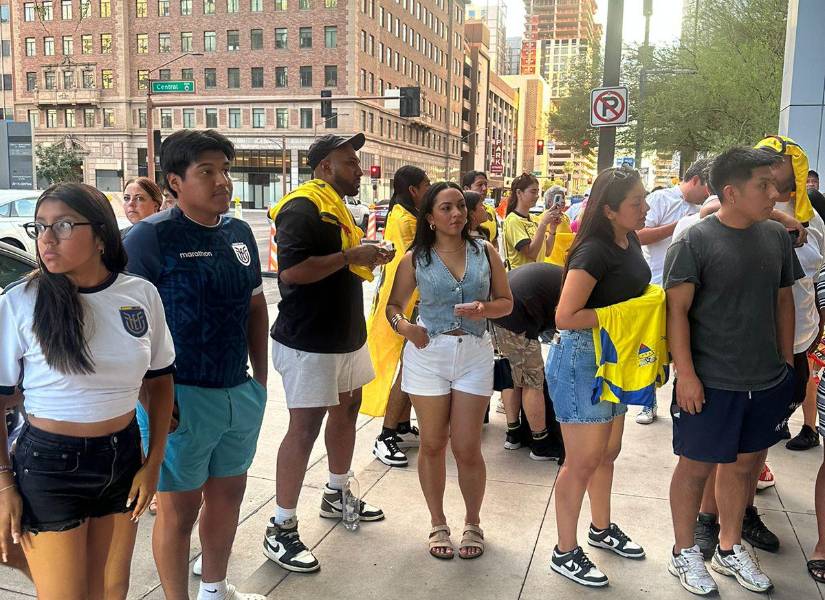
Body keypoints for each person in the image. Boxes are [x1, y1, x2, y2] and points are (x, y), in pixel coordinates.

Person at [0, 183, 175, 600]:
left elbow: (161, 382)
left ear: (100, 235)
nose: (45, 239)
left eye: (61, 225)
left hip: (121, 458)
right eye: (40, 226)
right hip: (49, 465)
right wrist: (4, 484)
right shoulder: (21, 300)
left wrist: (152, 464)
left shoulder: (139, 295)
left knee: (107, 591)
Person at [123, 129, 269, 600]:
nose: (222, 181)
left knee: (227, 501)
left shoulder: (239, 232)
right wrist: (151, 399)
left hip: (237, 393)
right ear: (174, 182)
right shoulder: (150, 238)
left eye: (224, 170)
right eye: (206, 171)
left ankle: (213, 589)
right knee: (178, 511)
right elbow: (130, 327)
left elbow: (255, 306)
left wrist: (261, 382)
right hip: (178, 397)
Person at [664, 147, 799, 596]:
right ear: (730, 192)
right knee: (695, 467)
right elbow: (676, 312)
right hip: (709, 380)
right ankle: (684, 553)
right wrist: (686, 374)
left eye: (774, 184)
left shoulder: (775, 238)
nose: (774, 193)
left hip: (764, 378)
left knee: (744, 467)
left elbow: (783, 300)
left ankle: (729, 546)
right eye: (763, 185)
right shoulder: (694, 241)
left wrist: (786, 362)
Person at [265, 133, 393, 573]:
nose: (359, 170)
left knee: (348, 409)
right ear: (324, 167)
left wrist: (364, 255)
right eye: (349, 163)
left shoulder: (337, 206)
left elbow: (341, 262)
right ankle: (280, 526)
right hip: (308, 340)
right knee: (304, 427)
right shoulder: (302, 207)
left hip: (344, 335)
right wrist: (350, 255)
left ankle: (337, 492)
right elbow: (293, 272)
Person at [386, 181, 512, 560]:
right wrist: (406, 328)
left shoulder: (485, 252)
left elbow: (506, 302)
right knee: (432, 443)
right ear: (430, 217)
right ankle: (437, 521)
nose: (456, 213)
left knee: (467, 447)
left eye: (459, 205)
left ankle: (473, 521)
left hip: (473, 352)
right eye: (445, 208)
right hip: (429, 354)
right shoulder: (415, 259)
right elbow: (393, 306)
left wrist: (484, 310)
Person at [545, 165, 650, 588]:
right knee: (582, 461)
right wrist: (625, 315)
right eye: (636, 203)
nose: (644, 208)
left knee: (608, 452)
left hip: (615, 356)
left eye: (644, 200)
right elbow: (565, 316)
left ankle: (601, 528)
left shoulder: (630, 239)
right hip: (582, 359)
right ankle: (564, 550)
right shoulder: (592, 251)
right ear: (609, 210)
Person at [635, 158, 712, 425]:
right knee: (652, 350)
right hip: (658, 284)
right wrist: (679, 226)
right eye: (707, 187)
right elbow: (638, 235)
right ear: (695, 180)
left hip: (691, 287)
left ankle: (681, 399)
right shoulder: (661, 199)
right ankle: (647, 403)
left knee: (683, 345)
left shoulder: (705, 207)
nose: (709, 193)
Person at [363, 166, 430, 467]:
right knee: (405, 370)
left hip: (406, 302)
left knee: (407, 366)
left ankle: (401, 425)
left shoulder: (407, 215)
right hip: (404, 305)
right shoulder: (404, 219)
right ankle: (386, 435)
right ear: (414, 190)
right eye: (426, 186)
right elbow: (415, 260)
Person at [490, 262, 563, 460]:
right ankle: (541, 444)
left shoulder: (564, 275)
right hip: (517, 314)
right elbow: (565, 323)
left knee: (511, 374)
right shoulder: (578, 287)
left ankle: (514, 433)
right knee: (533, 380)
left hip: (498, 309)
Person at [503, 173, 561, 270]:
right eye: (533, 192)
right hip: (520, 279)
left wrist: (552, 228)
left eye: (538, 192)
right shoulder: (513, 220)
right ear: (519, 193)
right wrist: (543, 224)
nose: (537, 196)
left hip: (535, 277)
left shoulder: (534, 219)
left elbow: (547, 251)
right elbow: (532, 254)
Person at [462, 171, 498, 245]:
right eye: (480, 185)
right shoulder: (460, 214)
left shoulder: (491, 210)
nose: (484, 188)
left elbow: (495, 240)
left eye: (486, 184)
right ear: (466, 188)